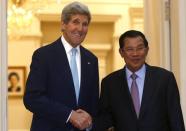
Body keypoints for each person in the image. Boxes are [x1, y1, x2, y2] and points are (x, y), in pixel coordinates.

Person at [23, 2, 99, 131]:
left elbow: (93, 105)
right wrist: (69, 115)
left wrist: (90, 123)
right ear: (63, 24)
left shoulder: (91, 60)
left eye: (85, 24)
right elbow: (32, 98)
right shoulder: (43, 55)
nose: (80, 29)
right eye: (75, 22)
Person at [95, 30, 185, 131]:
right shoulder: (109, 83)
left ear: (147, 50)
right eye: (129, 49)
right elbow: (104, 120)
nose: (135, 54)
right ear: (121, 52)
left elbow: (176, 119)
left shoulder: (164, 79)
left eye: (140, 48)